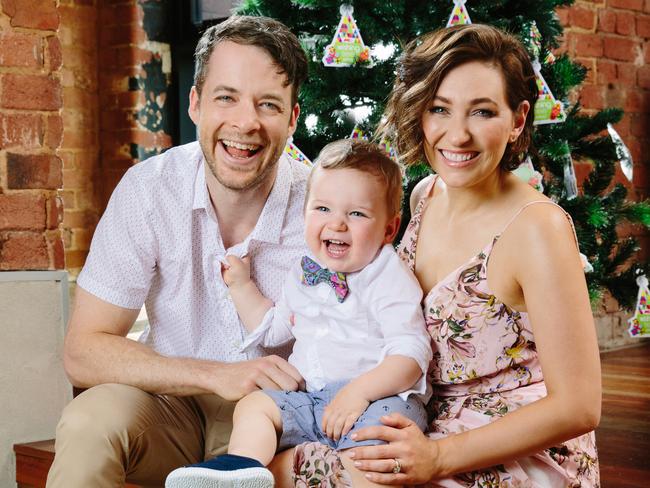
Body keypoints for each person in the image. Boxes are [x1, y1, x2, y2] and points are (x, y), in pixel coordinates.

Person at [290, 24, 602, 487]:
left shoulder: (539, 229)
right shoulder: (424, 194)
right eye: (439, 109)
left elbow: (579, 406)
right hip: (419, 413)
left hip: (510, 442)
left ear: (517, 119)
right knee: (278, 461)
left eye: (482, 112)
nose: (457, 135)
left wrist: (438, 457)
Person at [46, 15, 311, 488]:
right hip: (171, 405)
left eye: (268, 104)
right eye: (225, 97)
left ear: (292, 118)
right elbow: (83, 352)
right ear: (195, 103)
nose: (245, 123)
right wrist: (214, 375)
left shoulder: (323, 207)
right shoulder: (149, 189)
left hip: (281, 418)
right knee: (89, 423)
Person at [165, 139, 433, 488]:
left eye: (356, 214)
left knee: (378, 459)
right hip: (311, 399)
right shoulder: (304, 271)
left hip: (379, 402)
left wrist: (360, 392)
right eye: (322, 209)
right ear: (304, 213)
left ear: (388, 229)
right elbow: (275, 328)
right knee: (255, 406)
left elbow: (411, 353)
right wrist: (242, 287)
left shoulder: (387, 275)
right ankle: (241, 471)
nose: (337, 224)